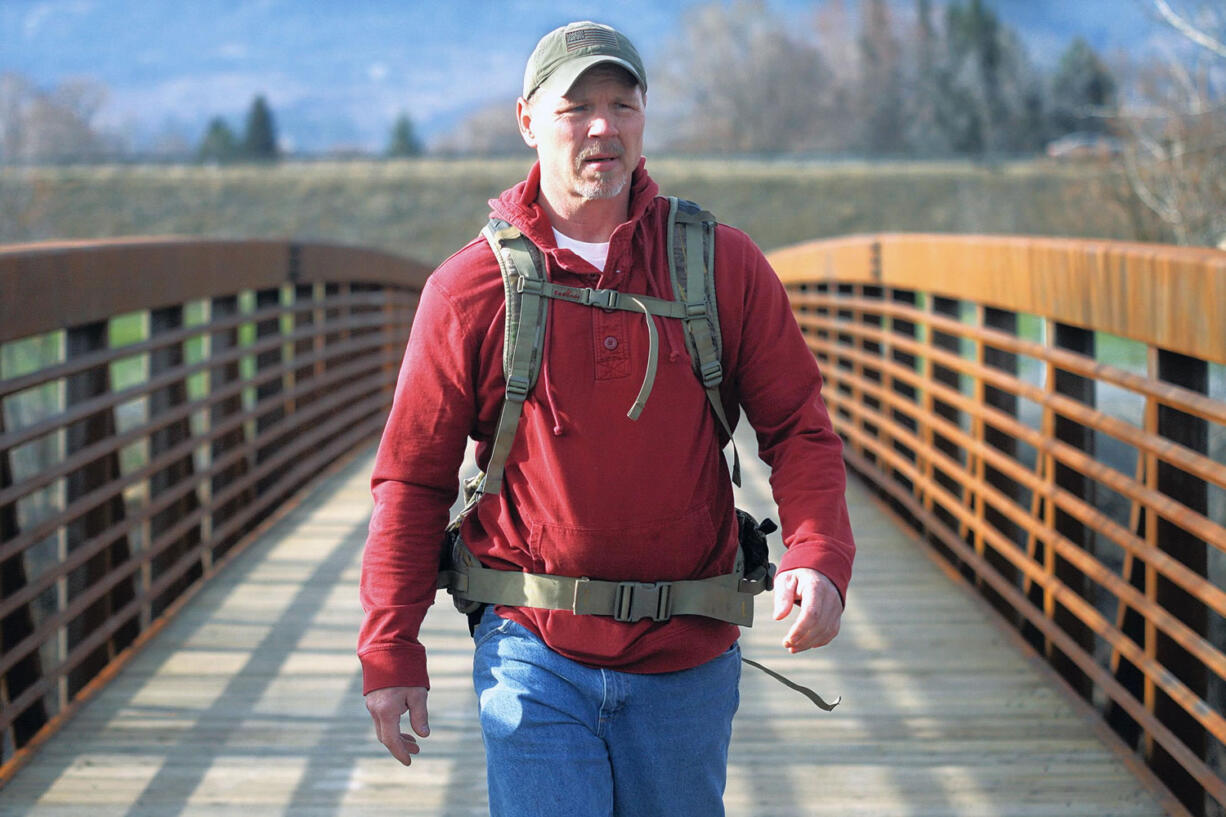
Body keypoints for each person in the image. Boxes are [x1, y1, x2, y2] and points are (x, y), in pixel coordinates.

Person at [359, 20, 855, 817]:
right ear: (527, 121)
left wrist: (820, 553)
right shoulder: (469, 290)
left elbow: (799, 427)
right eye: (576, 108)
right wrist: (390, 647)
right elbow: (412, 479)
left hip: (689, 652)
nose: (603, 128)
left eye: (623, 105)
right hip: (533, 647)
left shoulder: (721, 265)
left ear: (645, 116)